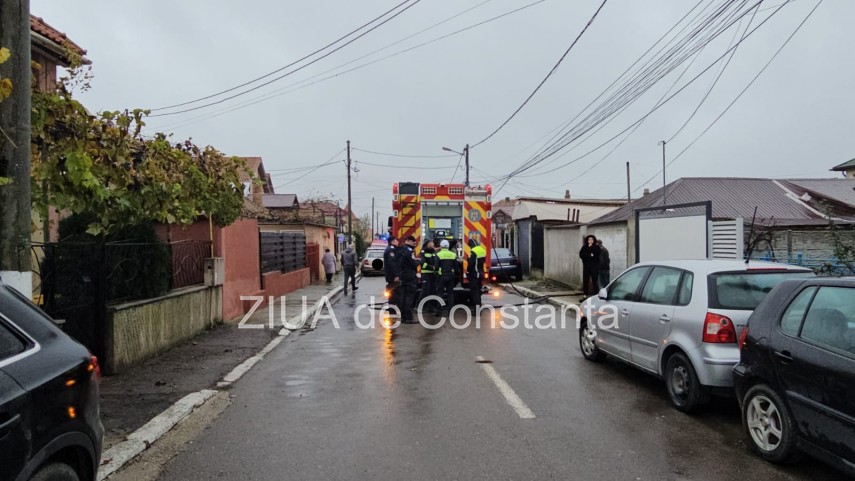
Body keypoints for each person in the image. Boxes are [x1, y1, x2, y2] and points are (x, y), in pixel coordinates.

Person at [398, 236, 420, 323]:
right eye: (413, 241)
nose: (414, 243)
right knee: (409, 297)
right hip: (410, 275)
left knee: (403, 296)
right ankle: (408, 317)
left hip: (403, 275)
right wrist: (419, 261)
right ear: (407, 241)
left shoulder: (401, 249)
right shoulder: (409, 251)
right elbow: (413, 264)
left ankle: (403, 316)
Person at [436, 239, 458, 314]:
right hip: (450, 276)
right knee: (450, 294)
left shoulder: (438, 254)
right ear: (448, 246)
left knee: (440, 293)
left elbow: (436, 266)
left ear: (441, 246)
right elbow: (456, 267)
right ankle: (451, 311)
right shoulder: (453, 254)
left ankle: (439, 311)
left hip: (441, 276)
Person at [419, 240, 438, 314]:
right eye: (431, 243)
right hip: (426, 274)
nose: (433, 244)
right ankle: (419, 306)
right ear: (427, 244)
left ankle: (431, 307)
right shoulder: (423, 252)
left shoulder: (433, 252)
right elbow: (423, 264)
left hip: (433, 275)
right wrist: (432, 267)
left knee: (432, 291)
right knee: (425, 291)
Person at [467, 238, 487, 308]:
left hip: (475, 274)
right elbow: (482, 261)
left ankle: (477, 310)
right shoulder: (482, 250)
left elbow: (471, 264)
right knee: (478, 292)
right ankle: (478, 307)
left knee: (474, 292)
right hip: (481, 273)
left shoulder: (474, 252)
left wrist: (467, 271)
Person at [383, 236, 401, 306]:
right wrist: (396, 275)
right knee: (394, 292)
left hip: (390, 275)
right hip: (392, 276)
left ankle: (392, 307)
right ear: (392, 242)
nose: (398, 242)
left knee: (393, 292)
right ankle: (393, 308)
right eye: (396, 241)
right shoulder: (391, 250)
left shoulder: (389, 249)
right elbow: (392, 263)